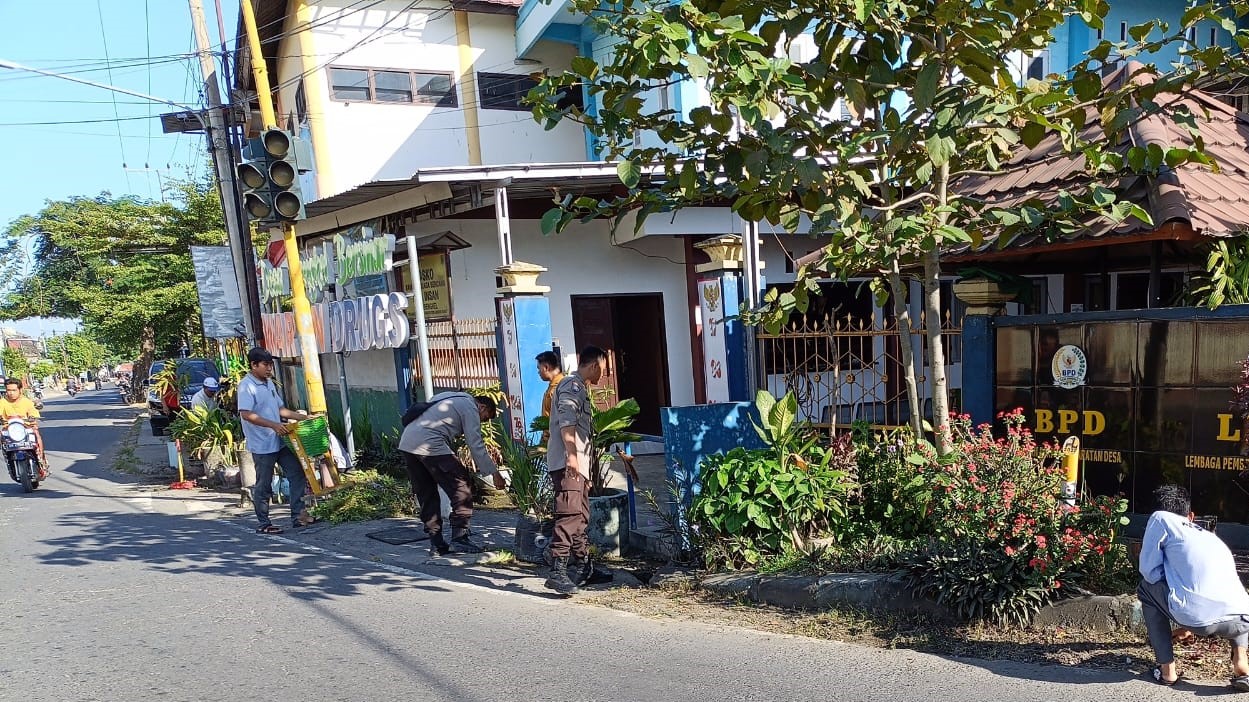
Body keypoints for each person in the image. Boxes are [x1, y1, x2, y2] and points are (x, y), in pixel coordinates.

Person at [1138, 484, 1249, 689]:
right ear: (1190, 516)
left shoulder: (1161, 519)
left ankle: (1167, 672)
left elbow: (1149, 571)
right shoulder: (1211, 538)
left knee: (1145, 588)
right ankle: (1241, 662)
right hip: (1242, 620)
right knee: (1231, 599)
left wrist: (1177, 594)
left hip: (1200, 618)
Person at [399, 392, 506, 555]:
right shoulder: (470, 408)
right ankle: (460, 538)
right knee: (462, 486)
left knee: (426, 493)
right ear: (482, 406)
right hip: (430, 443)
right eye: (484, 418)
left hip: (407, 443)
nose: (483, 422)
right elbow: (475, 444)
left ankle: (436, 543)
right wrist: (494, 473)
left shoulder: (451, 397)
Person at [544, 345, 607, 596]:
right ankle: (557, 571)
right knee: (569, 514)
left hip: (577, 465)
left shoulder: (579, 387)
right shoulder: (573, 386)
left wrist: (585, 471)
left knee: (580, 515)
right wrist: (571, 458)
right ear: (594, 365)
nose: (604, 373)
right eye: (603, 367)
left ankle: (584, 566)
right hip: (567, 463)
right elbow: (567, 422)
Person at [238, 348, 312, 534]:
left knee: (297, 473)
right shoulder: (247, 386)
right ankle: (264, 523)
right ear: (254, 365)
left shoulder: (269, 384)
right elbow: (246, 414)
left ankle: (298, 516)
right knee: (264, 484)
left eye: (271, 365)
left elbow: (281, 410)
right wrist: (272, 425)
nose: (269, 369)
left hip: (279, 440)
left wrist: (305, 418)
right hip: (262, 444)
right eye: (265, 365)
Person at [0, 378, 46, 478]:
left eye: (14, 390)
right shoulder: (2, 402)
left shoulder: (26, 401)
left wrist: (32, 418)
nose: (11, 393)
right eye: (8, 390)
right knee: (2, 440)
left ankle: (41, 461)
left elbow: (33, 413)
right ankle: (9, 461)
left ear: (20, 390)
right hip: (9, 429)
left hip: (26, 428)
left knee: (37, 436)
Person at [535, 350, 564, 445]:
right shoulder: (555, 386)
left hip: (557, 442)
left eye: (539, 368)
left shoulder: (557, 389)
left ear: (546, 367)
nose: (538, 372)